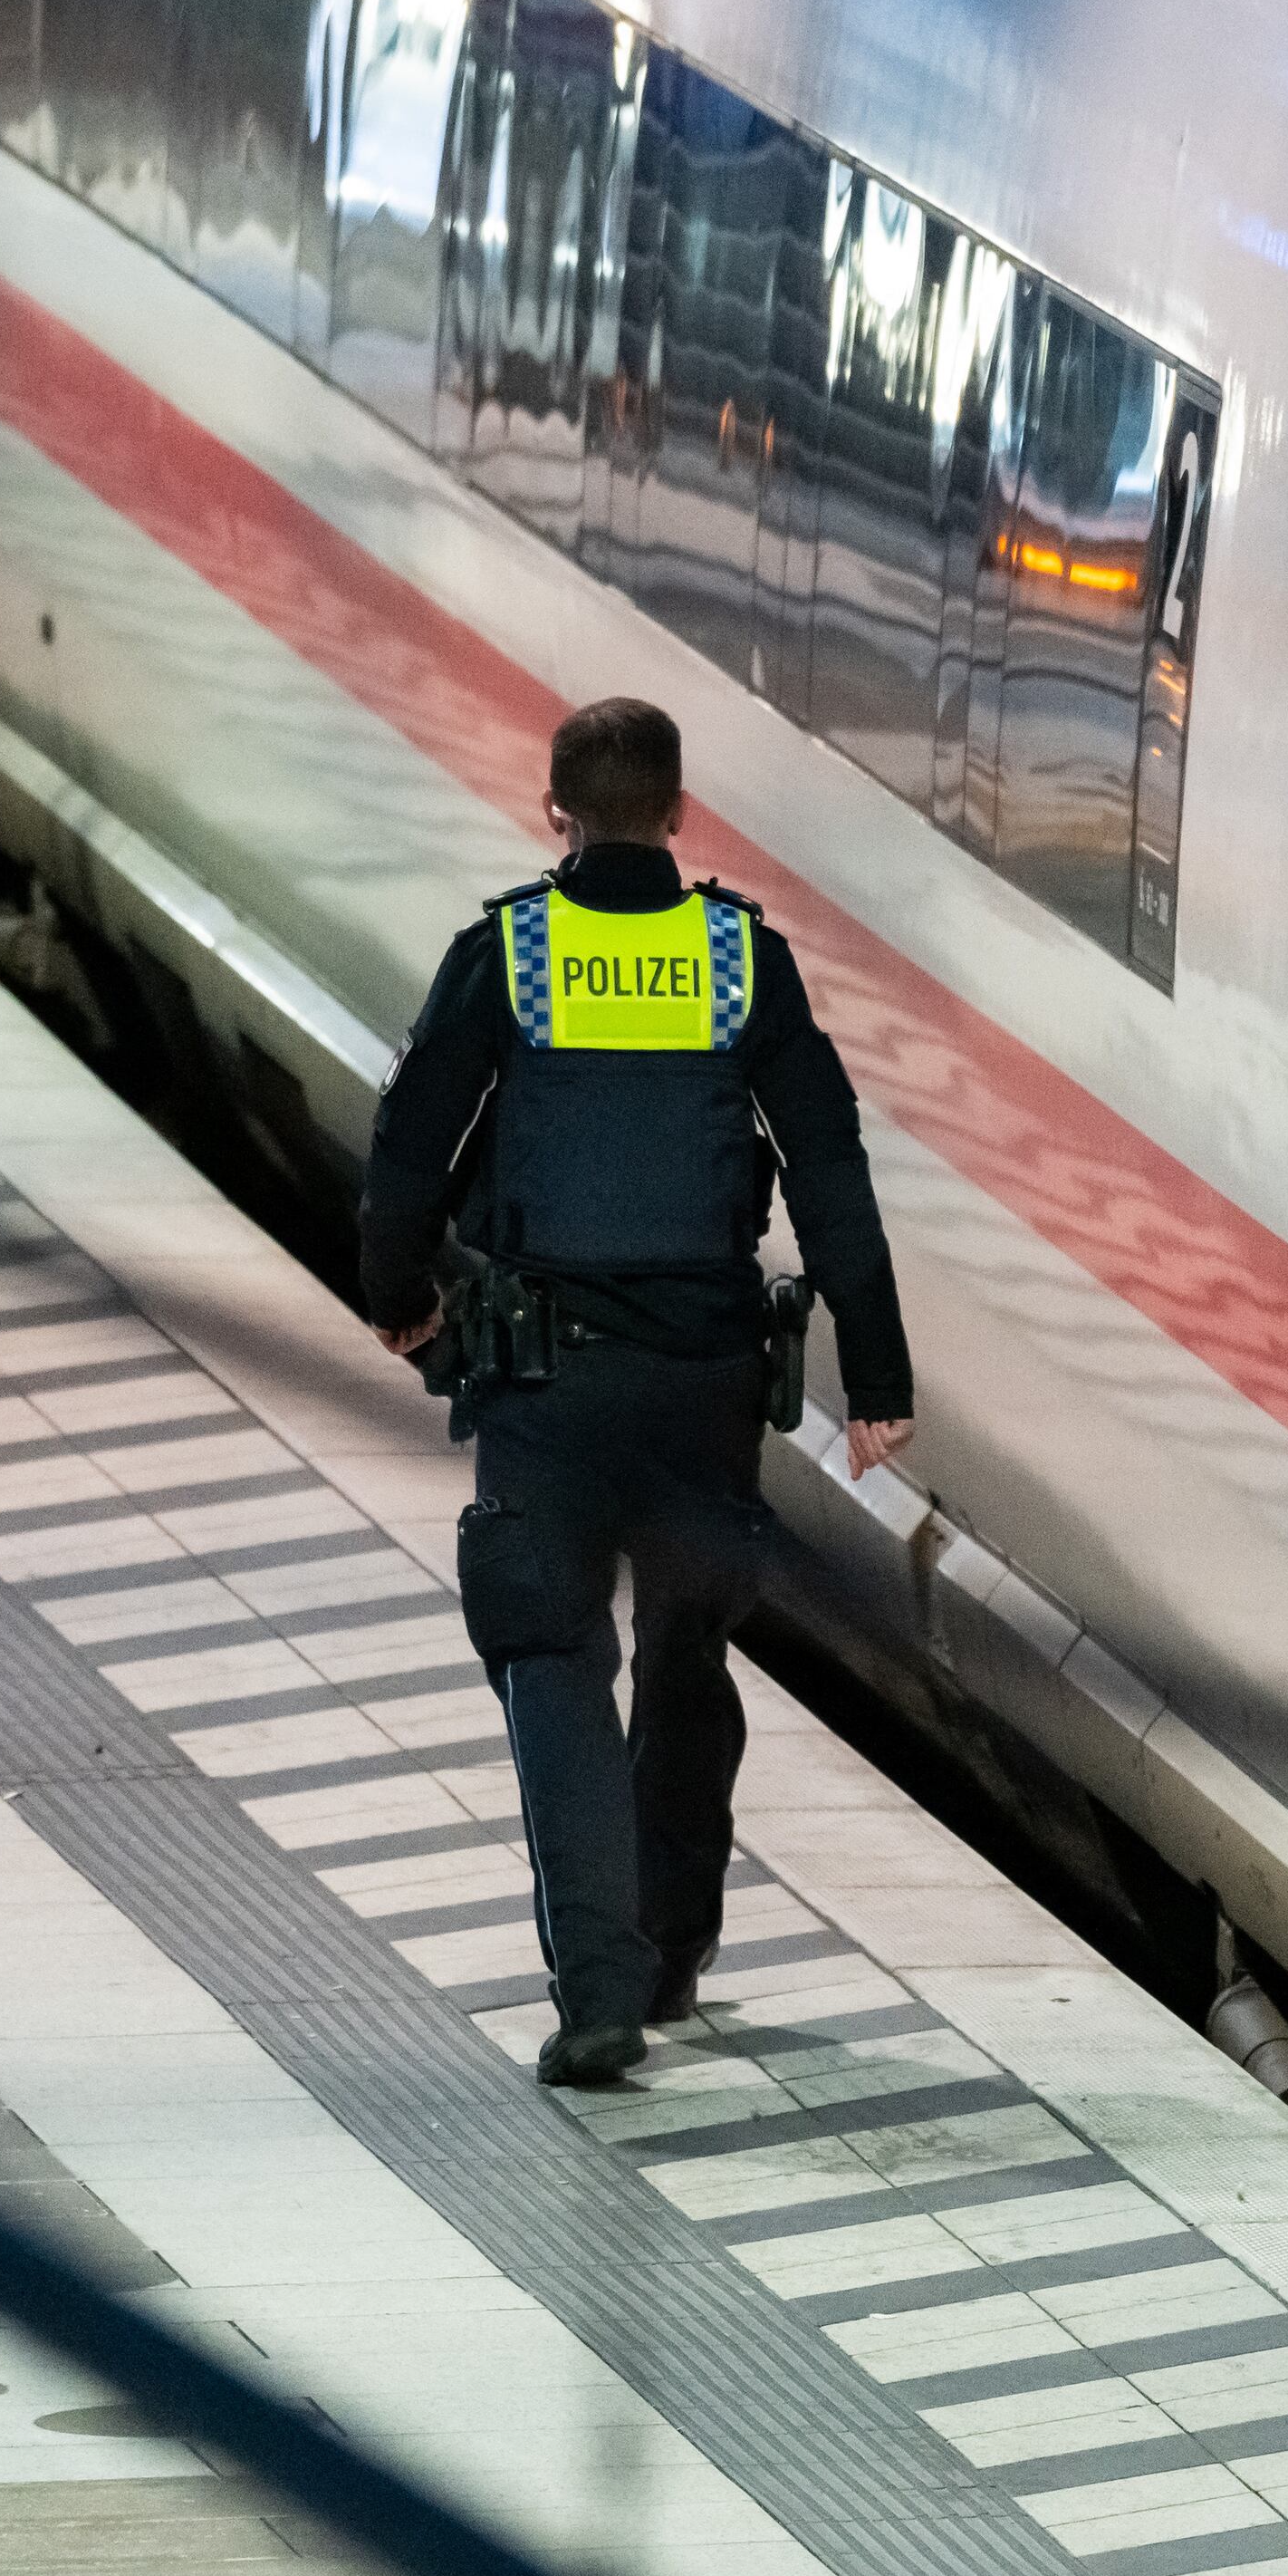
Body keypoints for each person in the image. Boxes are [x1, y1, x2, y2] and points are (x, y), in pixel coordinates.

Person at [359, 698, 917, 2090]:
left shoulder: (508, 954)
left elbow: (410, 1143)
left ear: (555, 812)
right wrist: (880, 1373)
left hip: (545, 1380)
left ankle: (599, 1991)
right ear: (678, 816)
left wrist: (403, 1300)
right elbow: (833, 1165)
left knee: (553, 1658)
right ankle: (673, 1947)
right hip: (706, 1382)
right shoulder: (742, 961)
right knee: (685, 1652)